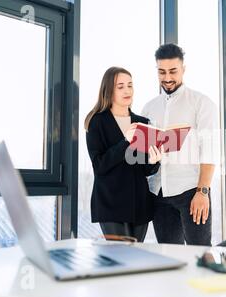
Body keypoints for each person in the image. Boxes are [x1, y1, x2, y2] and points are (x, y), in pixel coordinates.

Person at [141, 44, 218, 246]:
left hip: (191, 191)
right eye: (162, 72)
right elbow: (143, 153)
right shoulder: (149, 107)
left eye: (173, 71)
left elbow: (209, 152)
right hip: (158, 193)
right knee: (169, 256)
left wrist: (203, 192)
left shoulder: (201, 103)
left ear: (183, 69)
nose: (167, 78)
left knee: (200, 254)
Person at [84, 66, 162, 242]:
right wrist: (126, 142)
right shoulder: (96, 122)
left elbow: (144, 169)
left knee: (135, 259)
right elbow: (100, 165)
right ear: (109, 90)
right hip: (111, 202)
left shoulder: (142, 123)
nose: (127, 91)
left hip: (139, 203)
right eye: (120, 87)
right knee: (120, 257)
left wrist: (154, 161)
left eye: (130, 85)